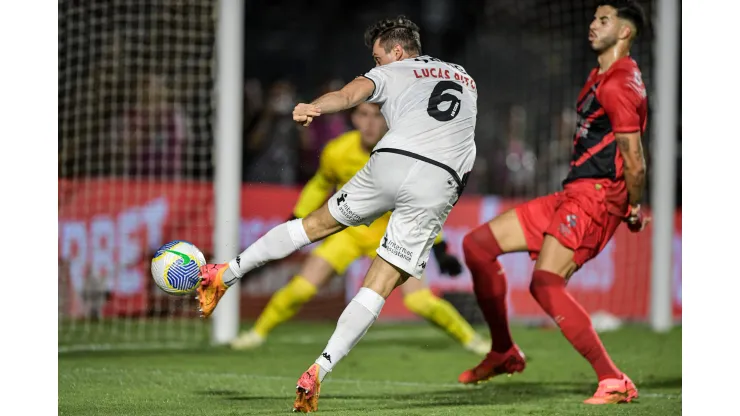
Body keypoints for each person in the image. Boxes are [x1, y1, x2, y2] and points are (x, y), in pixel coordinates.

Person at [195, 15, 478, 412]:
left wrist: (314, 106)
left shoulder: (394, 71)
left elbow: (347, 95)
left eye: (378, 57)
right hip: (439, 179)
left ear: (397, 52)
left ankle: (223, 274)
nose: (377, 65)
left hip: (392, 160)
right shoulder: (465, 77)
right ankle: (318, 370)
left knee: (311, 227)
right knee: (379, 285)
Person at [457, 0, 649, 405]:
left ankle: (614, 380)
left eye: (604, 20)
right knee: (477, 246)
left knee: (545, 283)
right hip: (573, 192)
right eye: (594, 18)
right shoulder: (600, 75)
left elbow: (635, 160)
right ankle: (504, 351)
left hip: (597, 198)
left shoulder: (619, 83)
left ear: (626, 32)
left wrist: (632, 206)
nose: (593, 25)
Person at [230, 102, 488, 356]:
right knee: (302, 288)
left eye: (377, 116)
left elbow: (420, 204)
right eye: (363, 115)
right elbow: (320, 184)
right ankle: (257, 333)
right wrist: (297, 217)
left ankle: (472, 340)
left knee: (419, 301)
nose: (370, 123)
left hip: (390, 234)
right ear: (353, 119)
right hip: (349, 233)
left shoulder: (404, 153)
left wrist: (440, 248)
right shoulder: (338, 151)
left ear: (388, 120)